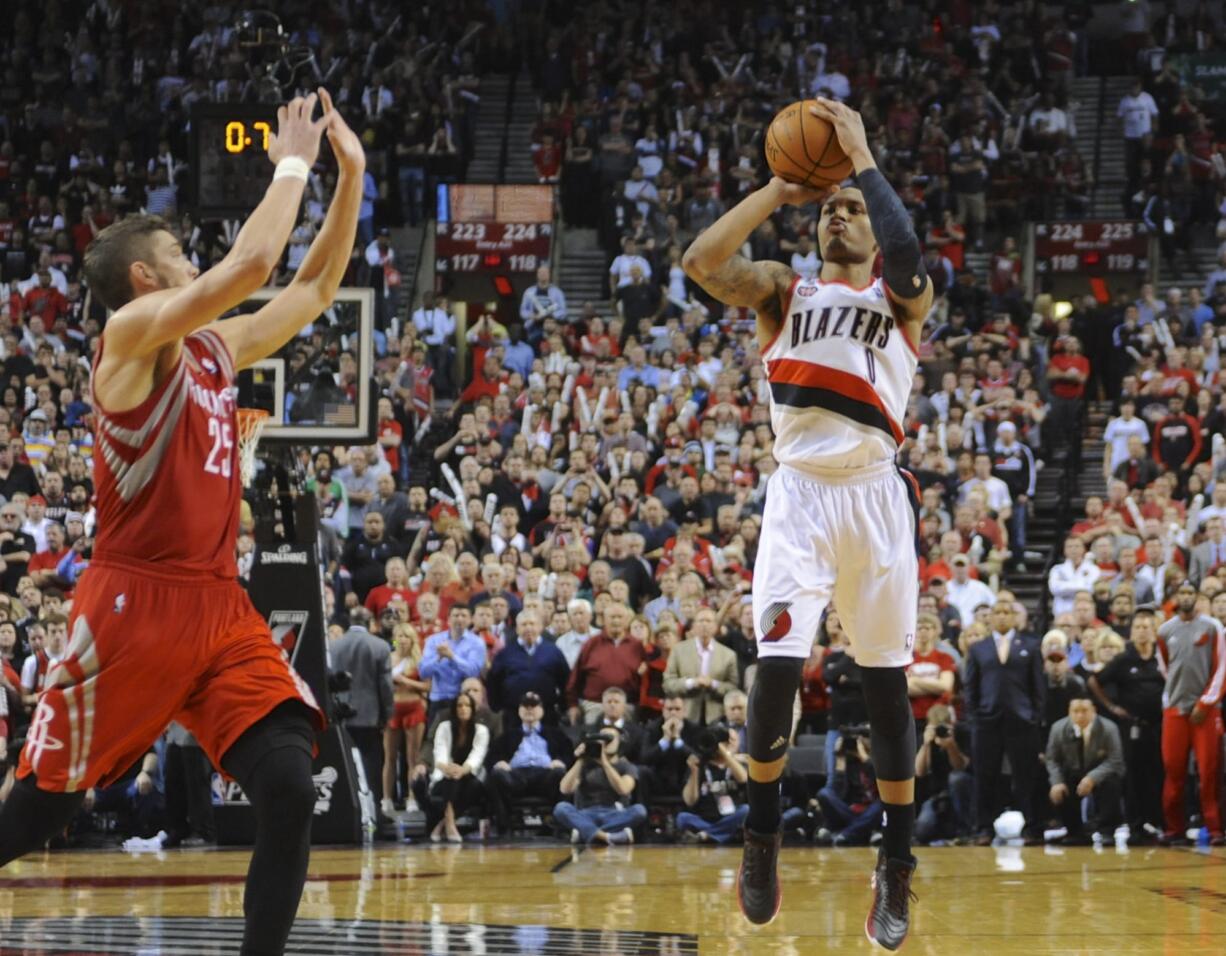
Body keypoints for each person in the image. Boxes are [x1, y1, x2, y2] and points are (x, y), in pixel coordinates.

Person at [0, 90, 364, 956]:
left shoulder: (213, 347)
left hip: (216, 606)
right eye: (178, 253)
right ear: (146, 277)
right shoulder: (127, 338)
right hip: (132, 607)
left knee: (286, 783)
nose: (192, 259)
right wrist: (293, 159)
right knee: (41, 810)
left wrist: (350, 175)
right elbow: (250, 265)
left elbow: (311, 285)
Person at [683, 97, 931, 943]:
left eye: (851, 208)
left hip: (874, 495)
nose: (839, 215)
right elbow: (701, 260)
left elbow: (907, 253)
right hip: (799, 496)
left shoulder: (902, 299)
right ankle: (761, 836)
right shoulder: (785, 291)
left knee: (885, 687)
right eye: (830, 208)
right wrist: (778, 191)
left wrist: (861, 159)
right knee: (778, 668)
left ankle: (896, 864)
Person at [964, 597, 1046, 846]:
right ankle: (983, 828)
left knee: (1026, 776)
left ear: (1013, 616)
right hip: (987, 721)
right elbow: (971, 687)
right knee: (984, 776)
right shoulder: (978, 648)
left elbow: (1038, 687)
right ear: (990, 617)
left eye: (1005, 612)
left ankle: (1032, 827)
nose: (1000, 616)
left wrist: (1035, 717)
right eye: (996, 612)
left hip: (1021, 721)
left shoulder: (1031, 646)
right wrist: (975, 716)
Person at [1157, 581, 1226, 845]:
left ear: (1196, 598)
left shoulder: (1212, 627)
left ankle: (1215, 829)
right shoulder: (1165, 630)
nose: (1185, 597)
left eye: (1190, 593)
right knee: (1173, 771)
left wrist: (1205, 703)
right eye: (1182, 593)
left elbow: (1221, 668)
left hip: (1205, 713)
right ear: (1176, 597)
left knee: (1209, 772)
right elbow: (1166, 667)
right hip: (1175, 711)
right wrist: (1174, 698)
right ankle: (1175, 829)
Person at [1088, 611, 1164, 843]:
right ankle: (1134, 825)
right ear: (1131, 632)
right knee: (1132, 776)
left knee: (1156, 774)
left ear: (1154, 631)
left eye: (1147, 626)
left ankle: (1152, 822)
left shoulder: (1161, 659)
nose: (1142, 630)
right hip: (1131, 728)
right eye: (1138, 626)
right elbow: (1094, 681)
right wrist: (1112, 707)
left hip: (1158, 726)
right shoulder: (1123, 659)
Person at [328, 607, 393, 814]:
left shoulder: (334, 645)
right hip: (369, 715)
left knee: (345, 765)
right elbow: (386, 687)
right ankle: (375, 814)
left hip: (340, 714)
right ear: (371, 622)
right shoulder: (380, 646)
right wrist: (387, 715)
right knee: (372, 766)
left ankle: (348, 812)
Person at [485, 691, 570, 836]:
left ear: (542, 710)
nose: (529, 709)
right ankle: (503, 827)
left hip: (545, 775)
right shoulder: (508, 735)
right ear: (519, 710)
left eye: (534, 706)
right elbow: (491, 757)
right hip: (516, 776)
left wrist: (561, 762)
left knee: (561, 774)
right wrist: (499, 763)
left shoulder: (555, 734)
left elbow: (569, 754)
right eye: (525, 706)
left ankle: (558, 826)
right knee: (496, 775)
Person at [1044, 696, 1125, 845]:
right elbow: (1051, 759)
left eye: (1084, 711)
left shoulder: (1108, 728)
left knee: (1112, 782)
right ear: (1069, 712)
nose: (1080, 715)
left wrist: (1092, 777)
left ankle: (1107, 831)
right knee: (1059, 786)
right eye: (1075, 711)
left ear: (1093, 711)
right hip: (1073, 771)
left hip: (1101, 772)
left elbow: (1115, 760)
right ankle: (1075, 831)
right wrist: (1057, 782)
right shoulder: (1057, 728)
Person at [552, 726, 647, 846]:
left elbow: (623, 790)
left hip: (614, 814)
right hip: (586, 813)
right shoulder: (585, 765)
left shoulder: (626, 766)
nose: (606, 742)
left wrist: (605, 763)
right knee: (561, 808)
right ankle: (608, 836)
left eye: (610, 738)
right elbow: (565, 789)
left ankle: (585, 832)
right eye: (602, 738)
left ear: (620, 742)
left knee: (640, 810)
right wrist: (580, 760)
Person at [427, 691, 489, 843]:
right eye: (460, 705)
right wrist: (447, 768)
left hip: (468, 776)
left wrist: (462, 770)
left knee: (474, 786)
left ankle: (444, 823)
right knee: (451, 780)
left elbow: (477, 756)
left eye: (467, 705)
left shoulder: (481, 730)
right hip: (445, 777)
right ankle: (449, 822)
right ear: (454, 709)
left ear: (473, 709)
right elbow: (439, 753)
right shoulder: (444, 727)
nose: (463, 709)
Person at [662, 607, 739, 725]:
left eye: (708, 621)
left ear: (715, 626)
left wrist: (713, 684)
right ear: (693, 626)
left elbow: (733, 687)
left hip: (717, 716)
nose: (704, 625)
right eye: (701, 621)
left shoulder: (728, 655)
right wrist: (692, 683)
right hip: (685, 715)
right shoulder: (678, 650)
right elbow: (668, 683)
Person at [677, 724, 750, 844]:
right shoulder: (699, 765)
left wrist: (726, 754)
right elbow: (689, 801)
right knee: (682, 818)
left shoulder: (735, 764)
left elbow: (743, 779)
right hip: (704, 819)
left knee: (746, 810)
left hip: (731, 816)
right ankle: (722, 834)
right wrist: (694, 772)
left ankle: (706, 836)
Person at [384, 624, 429, 814]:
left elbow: (428, 686)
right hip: (393, 709)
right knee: (390, 757)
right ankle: (386, 799)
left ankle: (412, 797)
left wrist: (405, 681)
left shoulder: (419, 661)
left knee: (413, 757)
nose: (402, 640)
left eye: (406, 636)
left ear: (412, 640)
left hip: (414, 708)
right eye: (399, 636)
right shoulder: (388, 659)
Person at [912, 704, 972, 844]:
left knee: (956, 778)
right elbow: (920, 772)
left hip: (961, 794)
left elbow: (961, 767)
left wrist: (951, 746)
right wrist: (926, 744)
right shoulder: (924, 739)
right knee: (922, 831)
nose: (940, 731)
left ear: (952, 723)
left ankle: (966, 829)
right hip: (935, 796)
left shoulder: (961, 734)